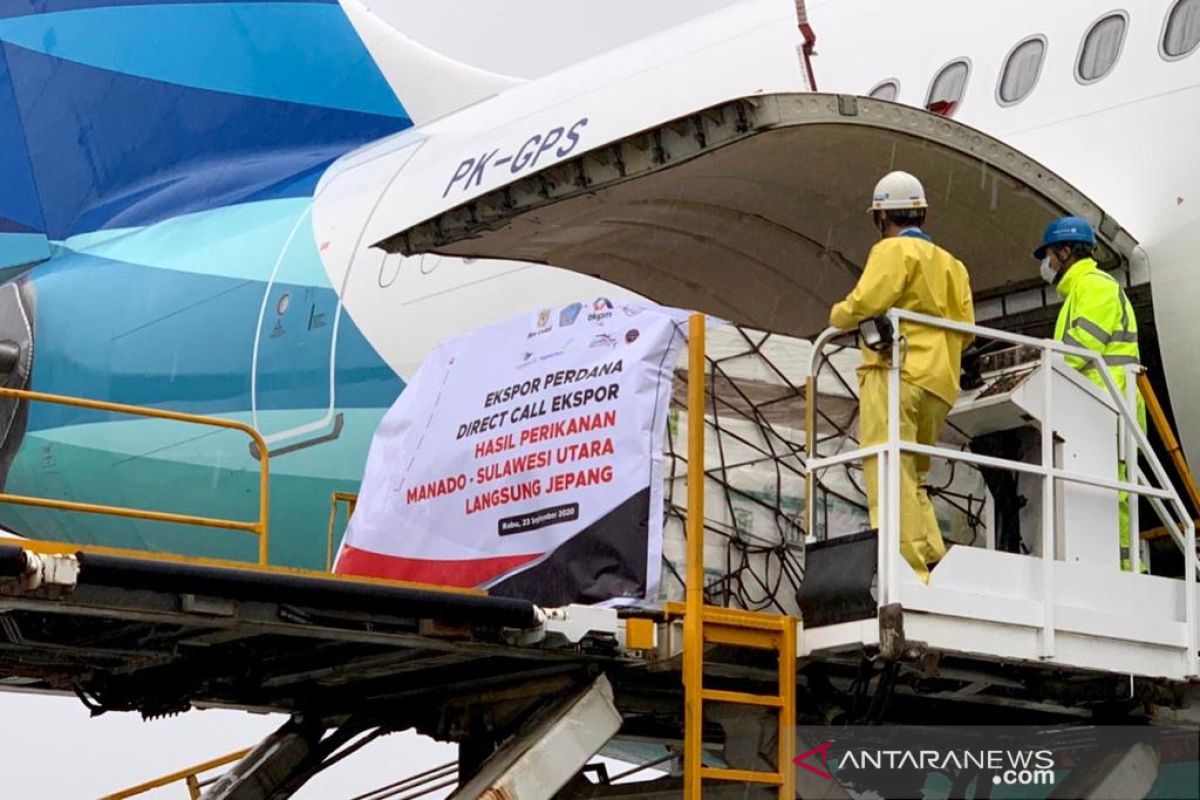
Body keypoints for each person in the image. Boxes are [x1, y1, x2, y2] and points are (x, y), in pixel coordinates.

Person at [830, 171, 975, 583]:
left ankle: (910, 571)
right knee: (915, 474)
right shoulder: (954, 265)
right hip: (939, 381)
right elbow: (966, 326)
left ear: (881, 217)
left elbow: (865, 301)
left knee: (887, 466)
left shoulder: (892, 252)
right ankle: (930, 554)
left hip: (898, 373)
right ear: (922, 212)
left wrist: (837, 315)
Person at [1034, 216, 1145, 571]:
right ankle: (1107, 566)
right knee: (1099, 492)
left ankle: (1124, 572)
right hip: (1099, 405)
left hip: (1109, 405)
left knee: (1114, 495)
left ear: (1066, 251)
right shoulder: (1083, 290)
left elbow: (1081, 347)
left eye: (1050, 254)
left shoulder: (1095, 285)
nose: (1047, 264)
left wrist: (1041, 360)